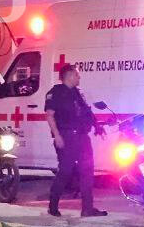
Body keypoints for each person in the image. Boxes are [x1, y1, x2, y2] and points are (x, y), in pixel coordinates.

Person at [45, 64, 107, 218]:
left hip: (82, 137)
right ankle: (53, 206)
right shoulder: (56, 93)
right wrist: (57, 135)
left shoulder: (78, 93)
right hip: (67, 137)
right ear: (70, 75)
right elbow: (50, 115)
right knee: (65, 172)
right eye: (77, 75)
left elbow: (87, 112)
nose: (79, 78)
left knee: (87, 171)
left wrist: (97, 126)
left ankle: (87, 208)